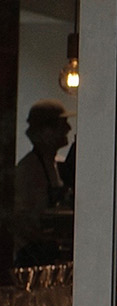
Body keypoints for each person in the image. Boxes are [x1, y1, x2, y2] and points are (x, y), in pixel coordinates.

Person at [13, 99, 74, 263]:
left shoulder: (56, 164)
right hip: (33, 257)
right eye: (62, 124)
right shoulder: (28, 170)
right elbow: (20, 221)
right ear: (45, 131)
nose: (68, 128)